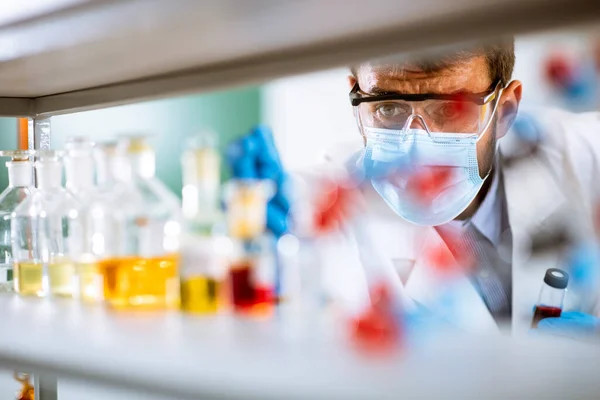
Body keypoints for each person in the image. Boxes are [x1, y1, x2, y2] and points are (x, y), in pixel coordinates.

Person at [228, 37, 600, 337]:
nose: (417, 143)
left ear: (504, 111)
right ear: (356, 97)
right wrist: (261, 249)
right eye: (388, 109)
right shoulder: (316, 207)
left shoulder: (581, 157)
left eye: (450, 110)